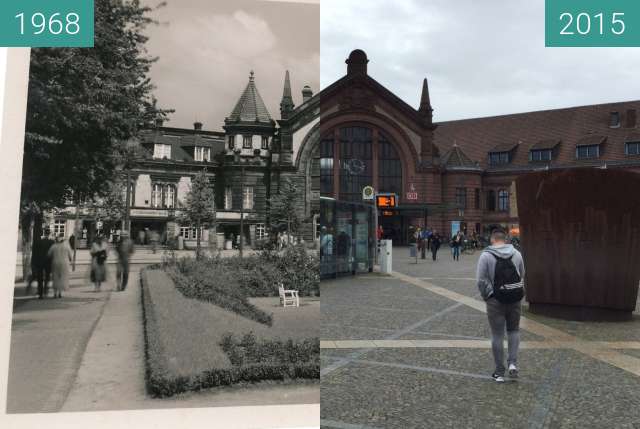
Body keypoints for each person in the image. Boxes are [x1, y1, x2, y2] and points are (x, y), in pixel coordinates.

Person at [476, 227, 525, 383]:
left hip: (495, 300)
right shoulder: (517, 254)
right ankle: (512, 364)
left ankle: (499, 372)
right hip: (515, 298)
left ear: (492, 239)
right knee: (513, 330)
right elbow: (522, 274)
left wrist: (488, 296)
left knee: (497, 334)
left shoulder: (486, 255)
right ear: (506, 239)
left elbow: (481, 280)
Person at [31, 228, 55, 299]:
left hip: (39, 262)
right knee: (47, 277)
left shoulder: (39, 241)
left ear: (44, 233)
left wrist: (34, 262)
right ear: (49, 233)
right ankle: (45, 290)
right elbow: (53, 253)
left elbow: (35, 253)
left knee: (40, 278)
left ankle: (40, 294)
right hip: (48, 262)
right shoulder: (52, 242)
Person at [47, 234, 72, 298]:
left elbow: (49, 255)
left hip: (55, 263)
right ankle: (60, 293)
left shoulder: (53, 246)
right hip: (65, 264)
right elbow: (70, 256)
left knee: (55, 278)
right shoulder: (67, 246)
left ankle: (55, 293)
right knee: (62, 278)